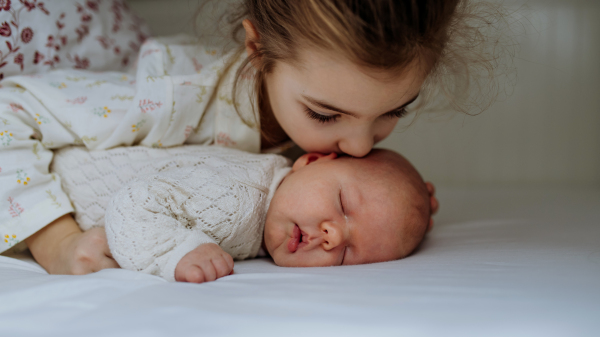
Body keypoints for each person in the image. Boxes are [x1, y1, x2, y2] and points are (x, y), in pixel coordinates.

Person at [0, 0, 510, 274]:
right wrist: (56, 242)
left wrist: (396, 204)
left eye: (392, 112)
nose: (359, 147)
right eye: (326, 115)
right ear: (257, 50)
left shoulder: (317, 149)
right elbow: (9, 112)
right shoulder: (172, 95)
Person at [52, 145, 431, 283]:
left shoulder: (277, 196)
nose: (333, 236)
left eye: (347, 253)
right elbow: (134, 203)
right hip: (54, 181)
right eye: (344, 205)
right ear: (310, 160)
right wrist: (179, 250)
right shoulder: (238, 196)